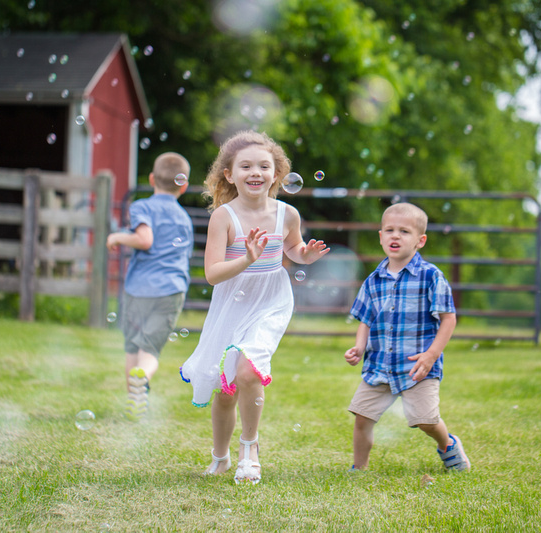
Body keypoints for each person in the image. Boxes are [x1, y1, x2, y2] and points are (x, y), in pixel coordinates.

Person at [180, 130, 329, 485]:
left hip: (271, 302)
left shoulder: (287, 214)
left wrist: (302, 255)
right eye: (245, 166)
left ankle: (250, 449)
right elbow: (214, 274)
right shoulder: (224, 217)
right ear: (229, 174)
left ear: (277, 174)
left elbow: (290, 249)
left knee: (249, 371)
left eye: (264, 165)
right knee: (226, 388)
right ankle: (221, 456)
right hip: (232, 303)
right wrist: (246, 258)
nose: (255, 172)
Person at [344, 202, 470, 472]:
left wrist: (432, 354)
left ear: (420, 240)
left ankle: (447, 444)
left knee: (425, 420)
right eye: (389, 230)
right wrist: (359, 346)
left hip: (418, 366)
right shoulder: (373, 280)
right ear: (380, 237)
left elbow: (449, 318)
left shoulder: (430, 276)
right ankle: (359, 467)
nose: (395, 236)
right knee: (362, 417)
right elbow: (365, 319)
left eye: (404, 231)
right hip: (379, 364)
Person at [107, 152, 192, 421]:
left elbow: (144, 240)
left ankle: (135, 400)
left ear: (152, 178)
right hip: (171, 290)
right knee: (150, 350)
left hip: (138, 289)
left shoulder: (142, 207)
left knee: (133, 347)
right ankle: (142, 379)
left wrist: (119, 235)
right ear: (184, 185)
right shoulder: (184, 219)